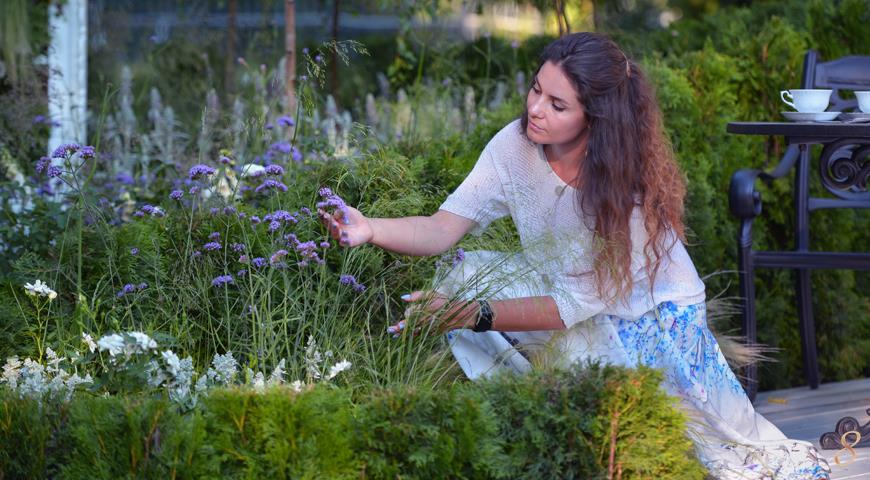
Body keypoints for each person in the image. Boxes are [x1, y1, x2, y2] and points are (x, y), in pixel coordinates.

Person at [318, 32, 831, 480]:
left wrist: (467, 316)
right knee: (463, 273)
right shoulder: (514, 146)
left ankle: (577, 417)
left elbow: (572, 308)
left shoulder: (622, 188)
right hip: (570, 300)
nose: (536, 108)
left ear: (595, 119)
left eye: (558, 105)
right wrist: (369, 229)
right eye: (536, 89)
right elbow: (441, 229)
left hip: (653, 322)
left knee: (726, 457)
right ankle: (529, 413)